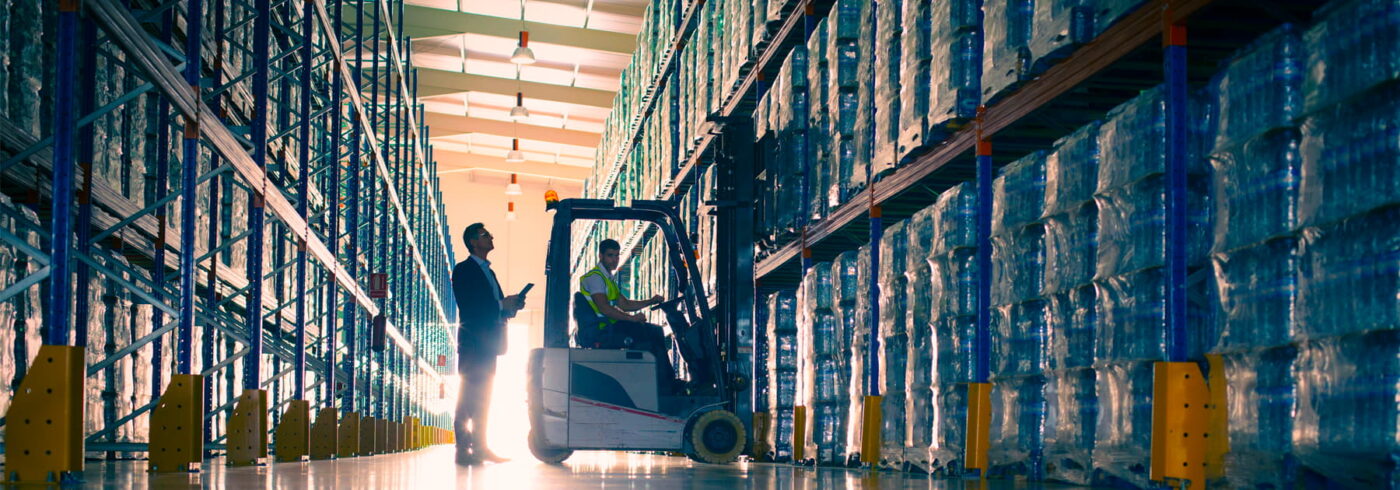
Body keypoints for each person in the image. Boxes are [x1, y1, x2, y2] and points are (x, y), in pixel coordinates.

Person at [452, 223, 524, 465]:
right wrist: (502, 305)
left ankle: (481, 448)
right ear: (473, 242)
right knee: (468, 397)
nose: (490, 236)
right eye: (485, 235)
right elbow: (470, 306)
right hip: (473, 343)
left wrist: (510, 307)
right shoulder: (464, 270)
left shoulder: (489, 272)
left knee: (484, 397)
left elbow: (494, 306)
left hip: (489, 343)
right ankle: (463, 450)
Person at [578, 239, 680, 391]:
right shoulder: (596, 278)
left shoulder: (607, 278)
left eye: (617, 256)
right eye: (610, 256)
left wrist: (650, 301)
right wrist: (632, 319)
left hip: (611, 326)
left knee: (655, 331)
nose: (615, 260)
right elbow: (605, 308)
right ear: (601, 256)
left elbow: (625, 305)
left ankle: (668, 383)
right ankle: (666, 387)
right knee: (650, 339)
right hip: (603, 330)